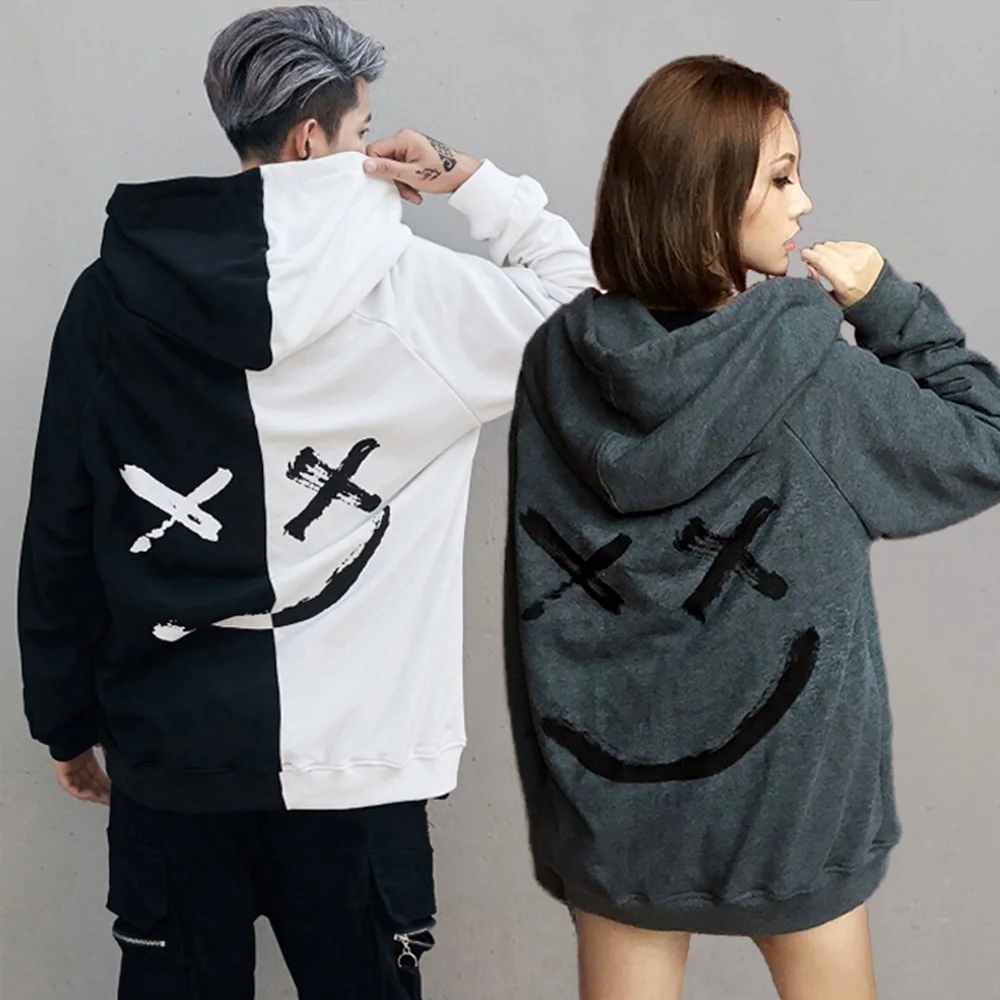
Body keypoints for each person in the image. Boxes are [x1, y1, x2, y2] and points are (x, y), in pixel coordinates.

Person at [17, 6, 594, 998]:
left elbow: (63, 527)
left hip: (172, 748)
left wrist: (64, 718)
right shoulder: (423, 297)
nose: (375, 147)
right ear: (311, 139)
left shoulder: (110, 296)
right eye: (364, 128)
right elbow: (586, 314)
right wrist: (465, 178)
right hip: (360, 760)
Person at [505, 54, 1000, 1000]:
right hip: (793, 808)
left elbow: (535, 590)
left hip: (611, 806)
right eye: (780, 177)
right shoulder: (805, 371)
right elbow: (987, 439)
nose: (803, 202)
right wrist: (889, 305)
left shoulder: (558, 361)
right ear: (705, 196)